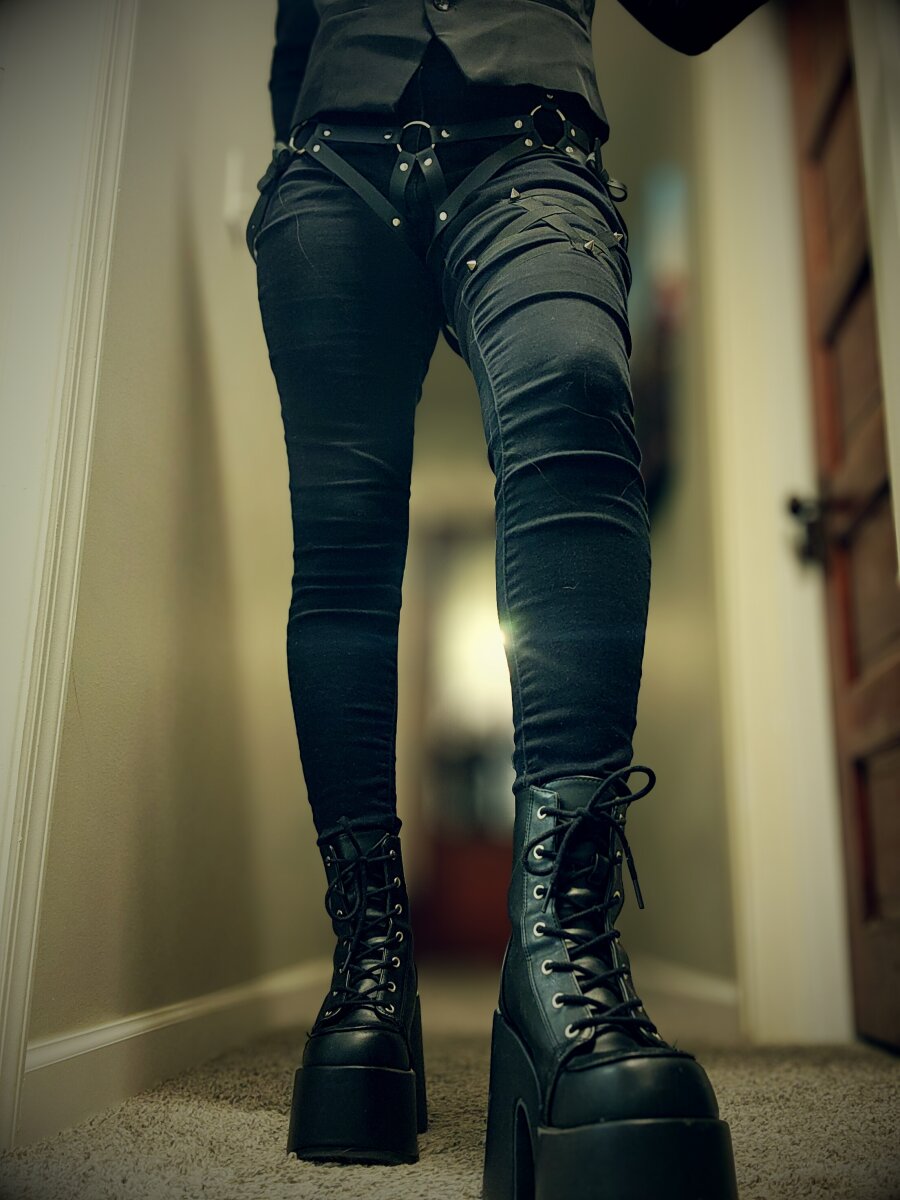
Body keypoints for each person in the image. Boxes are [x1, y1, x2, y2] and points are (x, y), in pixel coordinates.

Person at [247, 1, 765, 1194]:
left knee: (579, 399)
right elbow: (293, 40)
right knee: (342, 547)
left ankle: (562, 954)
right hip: (330, 161)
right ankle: (368, 969)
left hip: (534, 148)